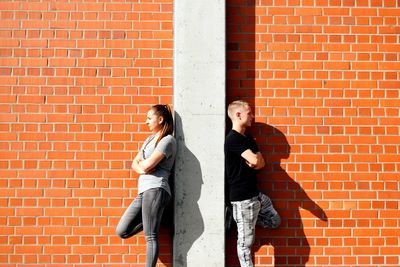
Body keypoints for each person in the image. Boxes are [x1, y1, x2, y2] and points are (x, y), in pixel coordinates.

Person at [116, 104, 176, 267]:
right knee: (122, 230)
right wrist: (143, 166)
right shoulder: (150, 139)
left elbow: (146, 165)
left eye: (149, 118)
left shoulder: (167, 140)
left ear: (160, 119)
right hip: (144, 191)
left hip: (156, 189)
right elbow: (136, 165)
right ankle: (160, 215)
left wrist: (144, 165)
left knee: (150, 235)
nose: (146, 121)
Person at [225, 100, 280, 267]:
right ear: (238, 115)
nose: (253, 117)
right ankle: (242, 221)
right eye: (249, 113)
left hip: (257, 196)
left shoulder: (247, 138)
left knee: (275, 221)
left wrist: (257, 161)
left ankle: (243, 221)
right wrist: (256, 160)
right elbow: (255, 159)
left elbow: (261, 163)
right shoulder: (233, 139)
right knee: (245, 244)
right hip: (243, 200)